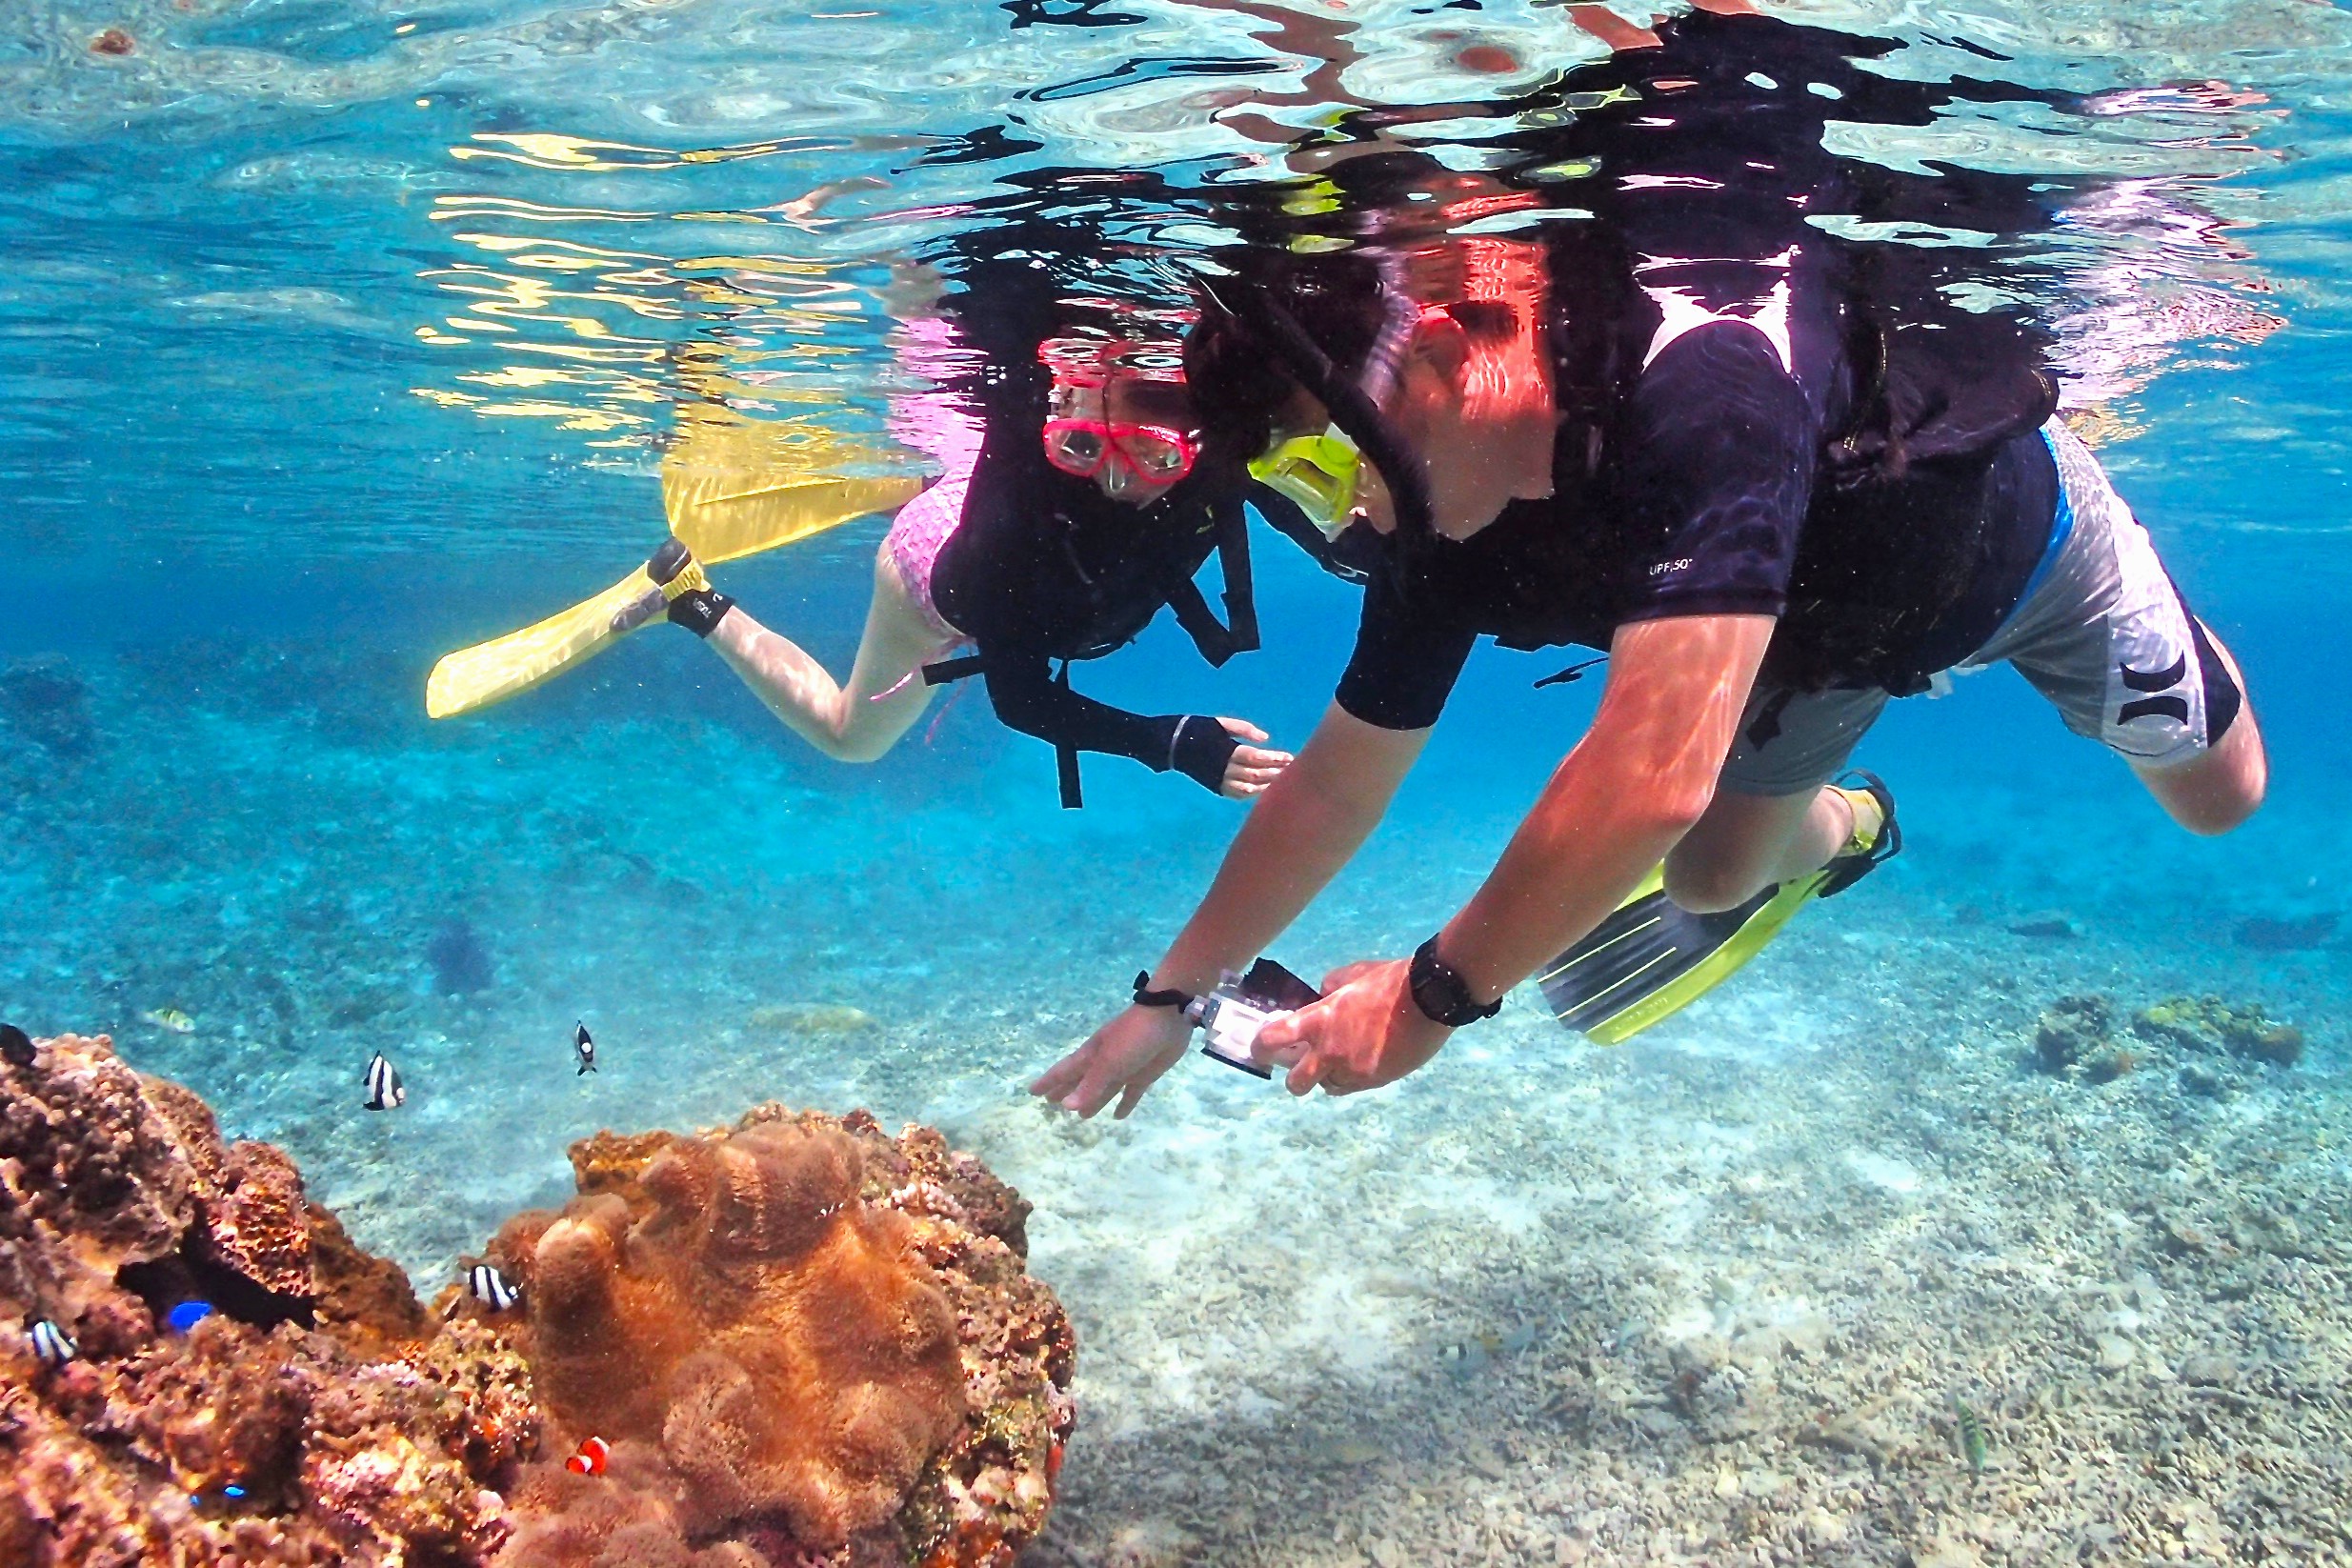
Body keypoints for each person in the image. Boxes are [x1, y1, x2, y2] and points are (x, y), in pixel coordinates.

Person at [1030, 113, 2267, 1116]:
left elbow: (1644, 773)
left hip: (2018, 561)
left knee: (2225, 798)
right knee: (1713, 872)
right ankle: (1857, 824)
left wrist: (1426, 999)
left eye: (1333, 458)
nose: (1348, 516)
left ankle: (2156, 618)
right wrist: (1169, 996)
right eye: (1300, 481)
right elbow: (1338, 781)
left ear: (1452, 344)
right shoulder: (1431, 498)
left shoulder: (1706, 356)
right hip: (1807, 643)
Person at [646, 252, 1307, 806]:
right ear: (1059, 420)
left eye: (1152, 455)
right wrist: (1162, 741)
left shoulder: (1224, 459)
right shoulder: (1011, 533)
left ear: (1199, 446)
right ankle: (697, 604)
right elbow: (1021, 700)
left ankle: (931, 477)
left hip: (996, 508)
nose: (1112, 479)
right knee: (852, 739)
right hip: (939, 570)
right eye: (1080, 445)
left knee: (999, 486)